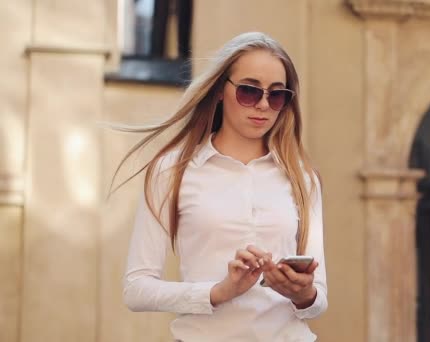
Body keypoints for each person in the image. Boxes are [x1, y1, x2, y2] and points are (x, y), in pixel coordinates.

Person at [110, 31, 327, 341]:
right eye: (250, 91)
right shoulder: (172, 170)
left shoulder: (302, 178)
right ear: (220, 91)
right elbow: (137, 289)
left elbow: (318, 299)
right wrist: (219, 292)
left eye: (277, 95)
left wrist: (302, 293)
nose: (263, 104)